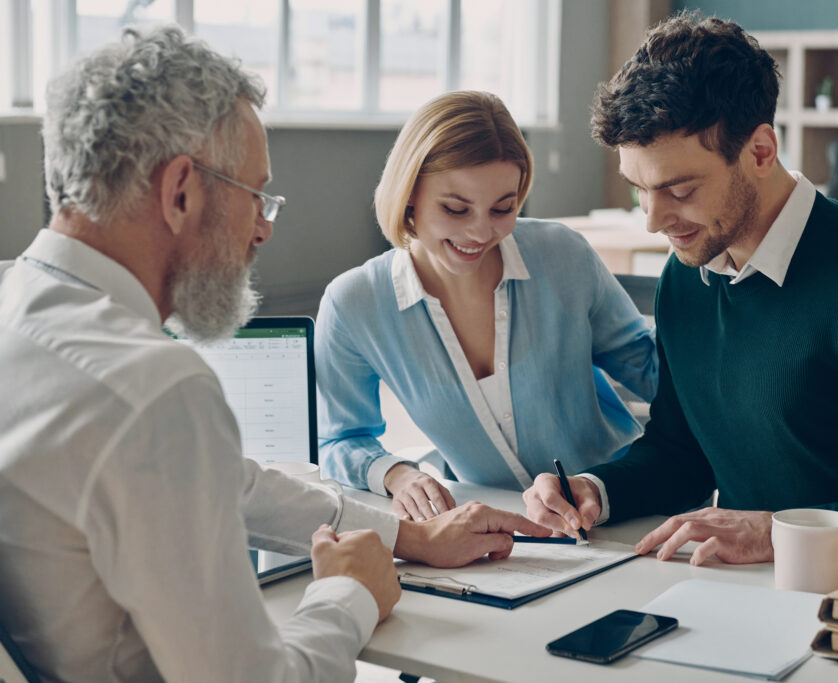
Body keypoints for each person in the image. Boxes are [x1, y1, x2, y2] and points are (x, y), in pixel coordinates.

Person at [0, 26, 550, 682]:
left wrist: (411, 537)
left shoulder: (22, 309)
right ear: (181, 190)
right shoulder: (151, 387)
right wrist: (351, 593)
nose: (262, 228)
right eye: (255, 195)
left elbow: (233, 484)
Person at [524, 11, 838, 569]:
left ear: (761, 151)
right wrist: (596, 490)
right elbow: (681, 453)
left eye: (680, 189)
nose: (654, 220)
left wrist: (780, 534)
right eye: (639, 188)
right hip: (739, 593)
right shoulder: (687, 277)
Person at [315, 91, 658, 522]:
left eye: (503, 208)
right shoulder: (354, 304)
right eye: (456, 209)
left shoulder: (562, 254)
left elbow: (650, 370)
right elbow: (340, 439)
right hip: (500, 534)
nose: (480, 231)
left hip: (619, 506)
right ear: (409, 194)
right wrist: (398, 475)